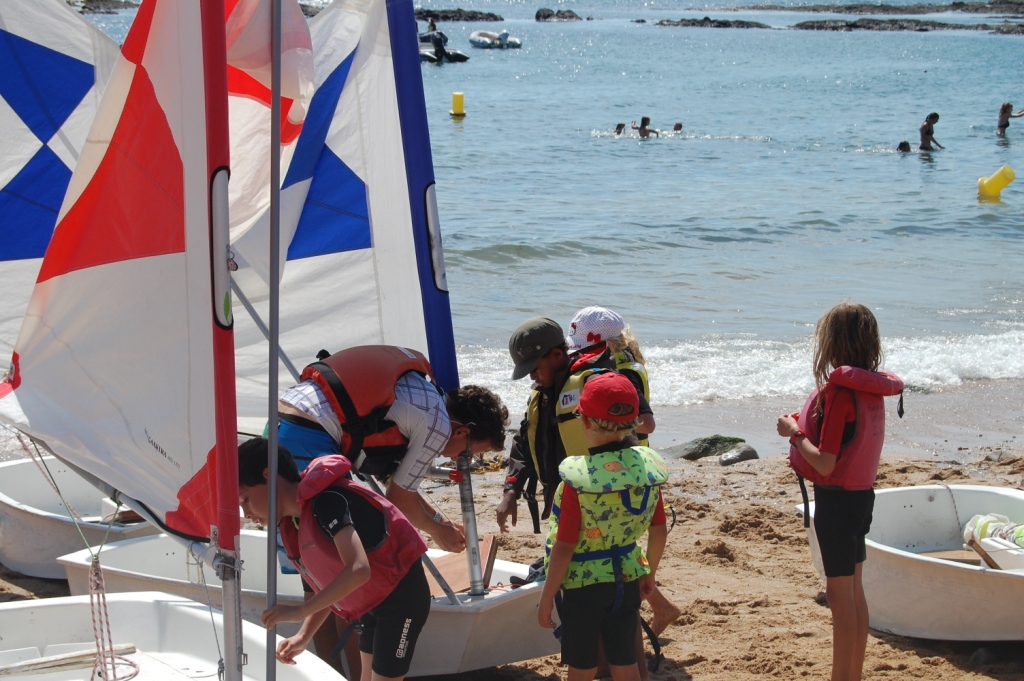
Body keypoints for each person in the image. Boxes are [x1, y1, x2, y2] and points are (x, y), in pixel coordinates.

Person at [276, 344, 508, 553]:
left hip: (280, 418)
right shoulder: (438, 427)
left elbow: (397, 484)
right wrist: (436, 531)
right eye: (466, 453)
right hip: (307, 435)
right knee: (332, 547)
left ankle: (305, 597)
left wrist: (439, 520)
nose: (459, 458)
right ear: (462, 432)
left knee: (295, 539)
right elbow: (399, 499)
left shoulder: (427, 394)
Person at [776, 302, 904, 681]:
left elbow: (826, 463)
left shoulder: (841, 395)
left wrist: (793, 432)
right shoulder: (869, 389)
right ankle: (853, 675)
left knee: (838, 597)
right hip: (862, 498)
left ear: (831, 345)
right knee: (855, 593)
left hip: (836, 503)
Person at [239, 439, 431, 681]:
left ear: (268, 475)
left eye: (245, 499)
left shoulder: (327, 501)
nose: (245, 513)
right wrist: (304, 635)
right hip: (374, 602)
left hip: (402, 598)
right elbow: (328, 586)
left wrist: (300, 611)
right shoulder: (296, 523)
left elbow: (359, 569)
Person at [537, 373, 669, 681]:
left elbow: (565, 546)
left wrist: (547, 596)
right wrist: (650, 572)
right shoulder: (648, 469)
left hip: (585, 586)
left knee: (583, 666)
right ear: (635, 421)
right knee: (625, 661)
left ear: (584, 422)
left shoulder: (577, 478)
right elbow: (659, 529)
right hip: (628, 576)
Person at [498, 318, 654, 534]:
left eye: (534, 368)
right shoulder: (541, 394)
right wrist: (511, 490)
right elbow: (525, 442)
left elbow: (629, 439)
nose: (532, 377)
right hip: (563, 500)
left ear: (556, 355)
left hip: (602, 502)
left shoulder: (599, 384)